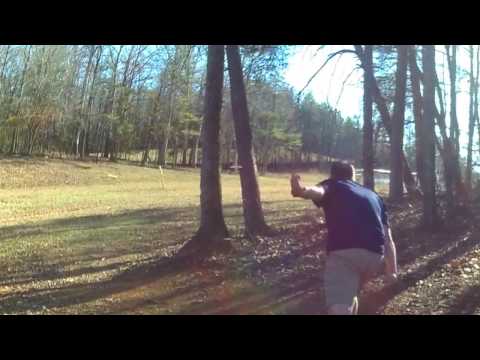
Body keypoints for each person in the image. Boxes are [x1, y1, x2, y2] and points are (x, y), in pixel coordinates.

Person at [290, 161, 398, 315]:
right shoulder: (374, 196)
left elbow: (319, 191)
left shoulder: (334, 184)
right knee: (349, 294)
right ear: (353, 175)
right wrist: (392, 271)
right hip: (375, 256)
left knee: (340, 305)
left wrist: (302, 191)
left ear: (332, 174)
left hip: (344, 253)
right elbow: (388, 238)